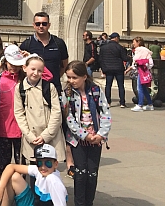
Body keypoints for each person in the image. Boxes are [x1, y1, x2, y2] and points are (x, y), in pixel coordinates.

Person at [62, 61, 111, 206]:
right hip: (78, 140)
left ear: (84, 76)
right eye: (69, 77)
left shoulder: (96, 91)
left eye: (74, 77)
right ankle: (79, 203)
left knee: (92, 173)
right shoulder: (67, 93)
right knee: (80, 174)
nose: (71, 81)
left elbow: (105, 113)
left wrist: (101, 134)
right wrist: (84, 135)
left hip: (96, 139)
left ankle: (89, 202)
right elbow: (69, 118)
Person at [13, 56, 66, 166]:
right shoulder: (20, 88)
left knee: (49, 168)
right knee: (34, 168)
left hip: (50, 136)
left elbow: (56, 112)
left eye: (39, 70)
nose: (36, 73)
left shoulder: (49, 87)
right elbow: (19, 113)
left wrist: (46, 135)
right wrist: (29, 136)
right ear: (24, 68)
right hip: (32, 137)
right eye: (33, 69)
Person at [0, 144, 68, 206]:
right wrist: (0, 188)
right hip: (36, 203)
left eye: (48, 163)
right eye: (39, 163)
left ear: (56, 164)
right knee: (13, 177)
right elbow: (11, 167)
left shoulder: (53, 179)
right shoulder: (38, 170)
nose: (43, 167)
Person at [0, 45, 25, 183]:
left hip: (22, 127)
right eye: (11, 63)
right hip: (4, 126)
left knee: (20, 160)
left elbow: (48, 76)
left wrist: (29, 58)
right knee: (4, 158)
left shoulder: (25, 79)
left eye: (17, 64)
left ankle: (21, 185)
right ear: (5, 62)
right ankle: (3, 181)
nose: (14, 67)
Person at [19, 12, 68, 92]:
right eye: (38, 24)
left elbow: (64, 65)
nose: (41, 26)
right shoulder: (26, 44)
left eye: (44, 24)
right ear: (34, 25)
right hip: (33, 90)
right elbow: (21, 68)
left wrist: (54, 77)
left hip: (54, 88)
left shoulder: (59, 43)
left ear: (49, 25)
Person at [98, 32, 129, 108]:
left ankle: (108, 102)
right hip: (118, 68)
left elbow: (100, 59)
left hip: (108, 68)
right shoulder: (120, 47)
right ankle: (122, 102)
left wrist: (103, 69)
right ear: (116, 38)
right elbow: (125, 58)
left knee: (108, 85)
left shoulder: (103, 47)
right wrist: (129, 57)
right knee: (120, 86)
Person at [127, 37, 154, 112]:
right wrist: (146, 67)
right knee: (144, 88)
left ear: (138, 42)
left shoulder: (139, 51)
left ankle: (140, 105)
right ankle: (150, 104)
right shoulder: (146, 51)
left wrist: (137, 66)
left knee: (140, 88)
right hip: (144, 71)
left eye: (134, 42)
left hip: (141, 71)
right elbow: (151, 63)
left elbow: (135, 63)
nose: (133, 44)